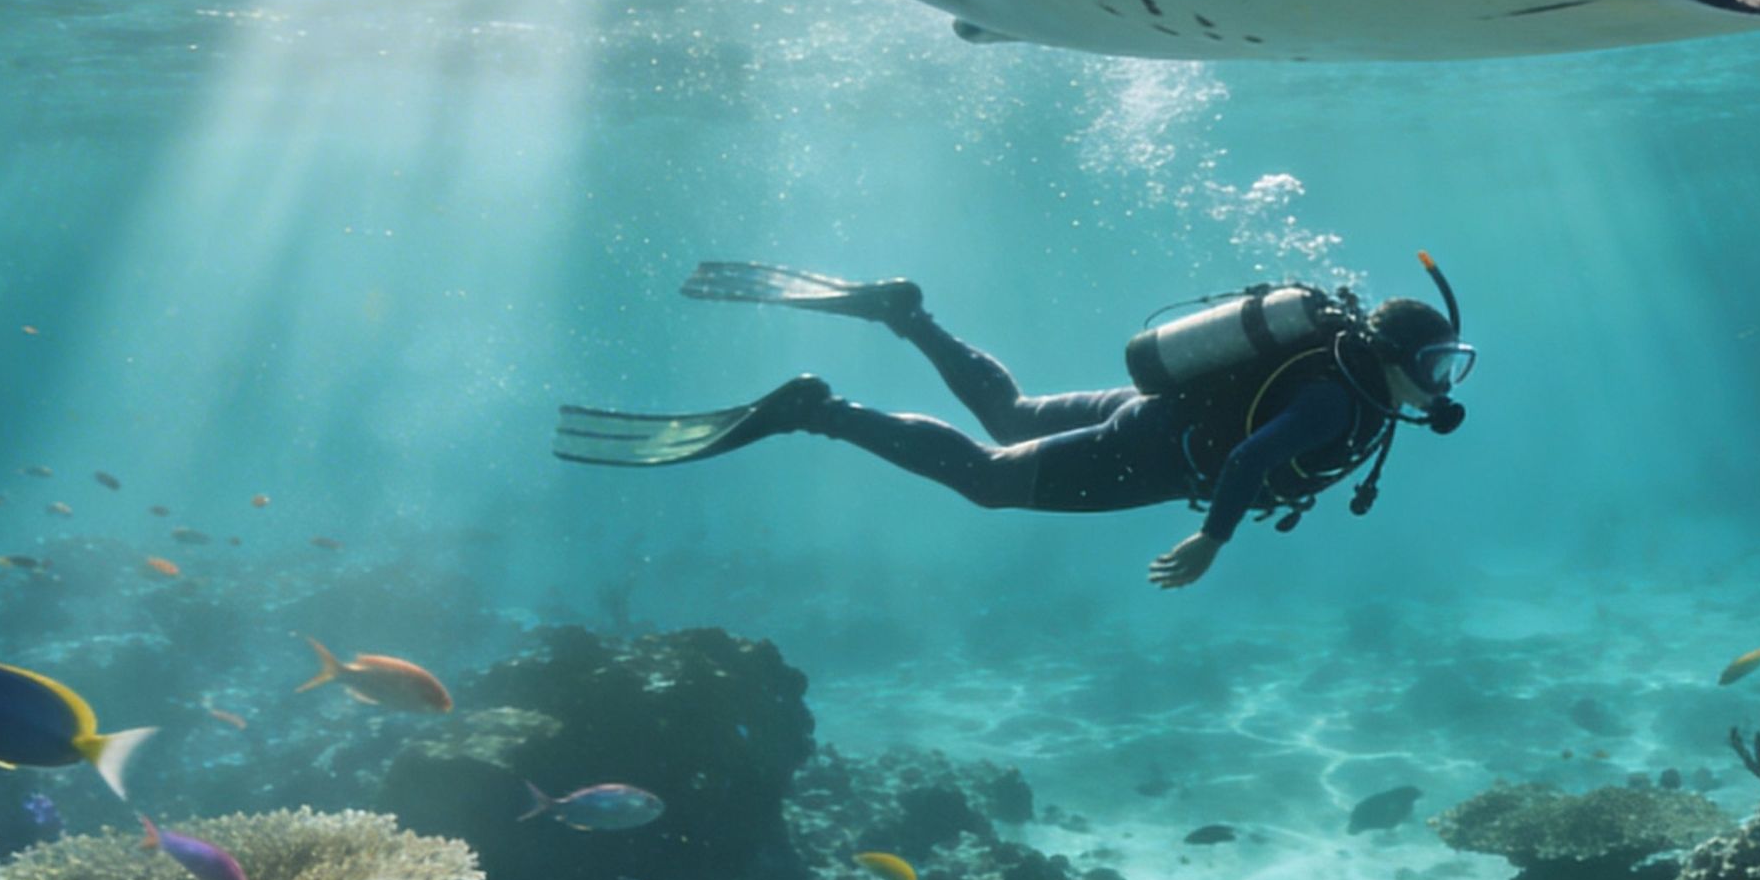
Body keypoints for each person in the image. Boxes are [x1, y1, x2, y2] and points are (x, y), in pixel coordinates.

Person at [555, 257, 1476, 588]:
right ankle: (815, 410)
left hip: (1150, 412)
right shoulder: (1334, 397)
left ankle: (904, 311)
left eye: (1449, 371)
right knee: (989, 482)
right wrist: (1213, 538)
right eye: (1433, 368)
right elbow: (1254, 453)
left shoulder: (1336, 373)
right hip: (1151, 450)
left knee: (1009, 410)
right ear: (1392, 356)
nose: (1438, 388)